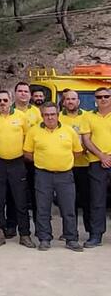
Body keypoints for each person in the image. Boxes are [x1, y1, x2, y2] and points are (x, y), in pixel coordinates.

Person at [24, 103, 84, 251]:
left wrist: (62, 161)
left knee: (68, 208)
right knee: (43, 209)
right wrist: (44, 161)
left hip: (65, 175)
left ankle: (71, 238)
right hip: (43, 175)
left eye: (52, 114)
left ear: (58, 114)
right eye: (46, 114)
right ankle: (44, 239)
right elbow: (27, 153)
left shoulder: (69, 131)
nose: (50, 117)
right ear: (42, 115)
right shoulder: (33, 131)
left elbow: (77, 152)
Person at [0, 89, 33, 247]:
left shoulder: (21, 116)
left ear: (11, 100)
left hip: (17, 163)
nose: (2, 103)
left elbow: (27, 137)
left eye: (5, 100)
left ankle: (24, 234)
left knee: (20, 200)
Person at [58, 88, 93, 238]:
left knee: (87, 201)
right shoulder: (57, 117)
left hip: (85, 165)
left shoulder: (88, 116)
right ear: (63, 102)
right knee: (67, 203)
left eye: (73, 99)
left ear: (78, 101)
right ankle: (69, 232)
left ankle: (92, 232)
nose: (70, 101)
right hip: (66, 167)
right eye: (67, 99)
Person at [83, 87, 111, 247]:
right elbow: (86, 140)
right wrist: (102, 156)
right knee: (97, 201)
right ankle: (96, 235)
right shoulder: (88, 116)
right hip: (96, 163)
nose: (103, 99)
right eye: (99, 97)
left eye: (106, 96)